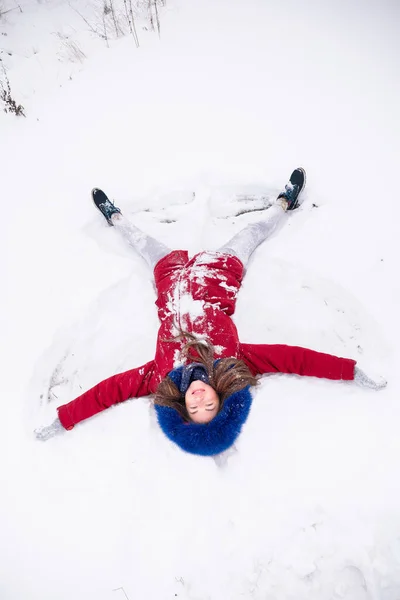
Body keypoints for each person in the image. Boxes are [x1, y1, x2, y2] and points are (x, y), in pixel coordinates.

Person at [35, 169, 386, 455]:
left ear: (183, 409)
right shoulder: (235, 363)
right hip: (219, 273)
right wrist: (350, 370)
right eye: (210, 408)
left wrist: (63, 418)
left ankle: (115, 217)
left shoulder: (160, 378)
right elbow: (295, 359)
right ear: (220, 397)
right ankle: (283, 203)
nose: (201, 401)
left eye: (195, 411)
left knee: (144, 244)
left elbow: (107, 392)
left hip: (171, 281)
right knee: (252, 232)